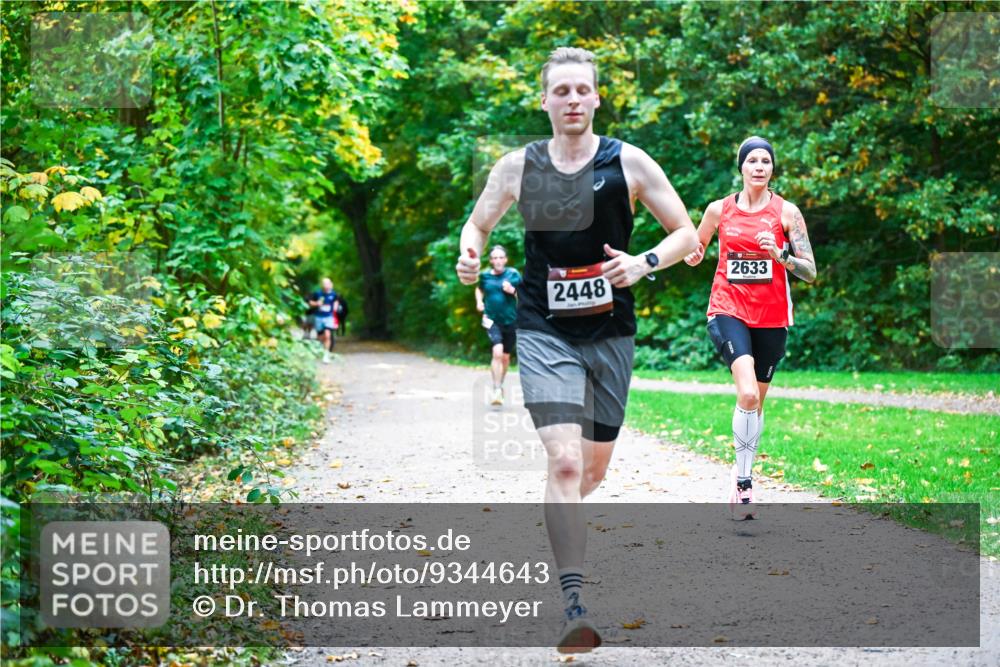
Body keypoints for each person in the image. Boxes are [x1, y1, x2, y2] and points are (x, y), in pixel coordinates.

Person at [455, 47, 697, 653]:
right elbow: (479, 224)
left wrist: (643, 265)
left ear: (596, 97)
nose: (570, 100)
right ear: (544, 101)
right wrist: (469, 253)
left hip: (611, 334)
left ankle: (558, 514)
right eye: (558, 91)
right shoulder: (517, 168)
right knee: (563, 463)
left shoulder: (630, 163)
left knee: (589, 471)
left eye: (580, 90)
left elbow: (687, 233)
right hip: (542, 329)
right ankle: (573, 603)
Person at [684, 136, 817, 520]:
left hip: (773, 317)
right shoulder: (718, 209)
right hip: (728, 308)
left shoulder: (787, 213)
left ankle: (740, 469)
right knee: (746, 394)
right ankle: (744, 483)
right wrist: (694, 255)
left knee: (757, 403)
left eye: (765, 161)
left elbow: (810, 272)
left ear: (772, 168)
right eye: (752, 160)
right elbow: (698, 247)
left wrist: (781, 254)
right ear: (741, 167)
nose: (759, 166)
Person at [475, 245, 521, 405]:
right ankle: (495, 389)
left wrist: (512, 291)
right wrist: (479, 302)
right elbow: (479, 289)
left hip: (511, 321)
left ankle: (500, 386)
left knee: (506, 358)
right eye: (495, 258)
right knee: (497, 353)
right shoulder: (485, 276)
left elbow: (525, 294)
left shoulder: (513, 274)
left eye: (501, 257)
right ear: (491, 260)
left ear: (506, 260)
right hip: (491, 319)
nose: (498, 260)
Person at [309, 277, 340, 364]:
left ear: (331, 284)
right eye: (324, 284)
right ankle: (321, 350)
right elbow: (310, 302)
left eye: (327, 284)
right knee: (320, 337)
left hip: (329, 317)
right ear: (322, 285)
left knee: (327, 335)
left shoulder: (334, 294)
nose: (326, 286)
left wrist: (336, 308)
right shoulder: (317, 293)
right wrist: (316, 303)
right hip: (319, 317)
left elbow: (336, 302)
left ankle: (326, 354)